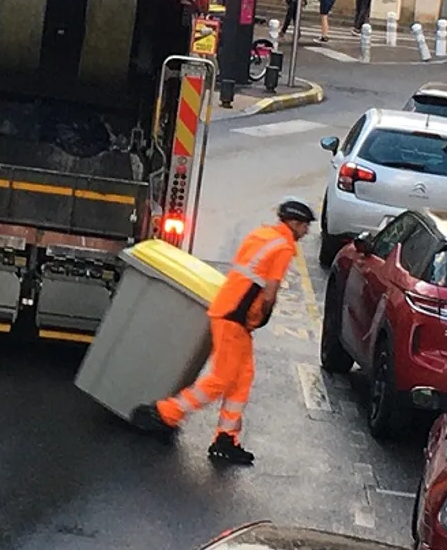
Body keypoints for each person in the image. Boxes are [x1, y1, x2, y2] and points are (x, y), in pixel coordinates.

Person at [131, 198, 316, 464]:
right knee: (222, 378)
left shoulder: (262, 234)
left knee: (242, 377)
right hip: (235, 318)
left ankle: (226, 438)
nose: (306, 232)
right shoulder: (284, 247)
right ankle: (164, 414)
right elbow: (269, 293)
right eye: (305, 226)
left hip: (230, 311)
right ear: (294, 223)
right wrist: (263, 316)